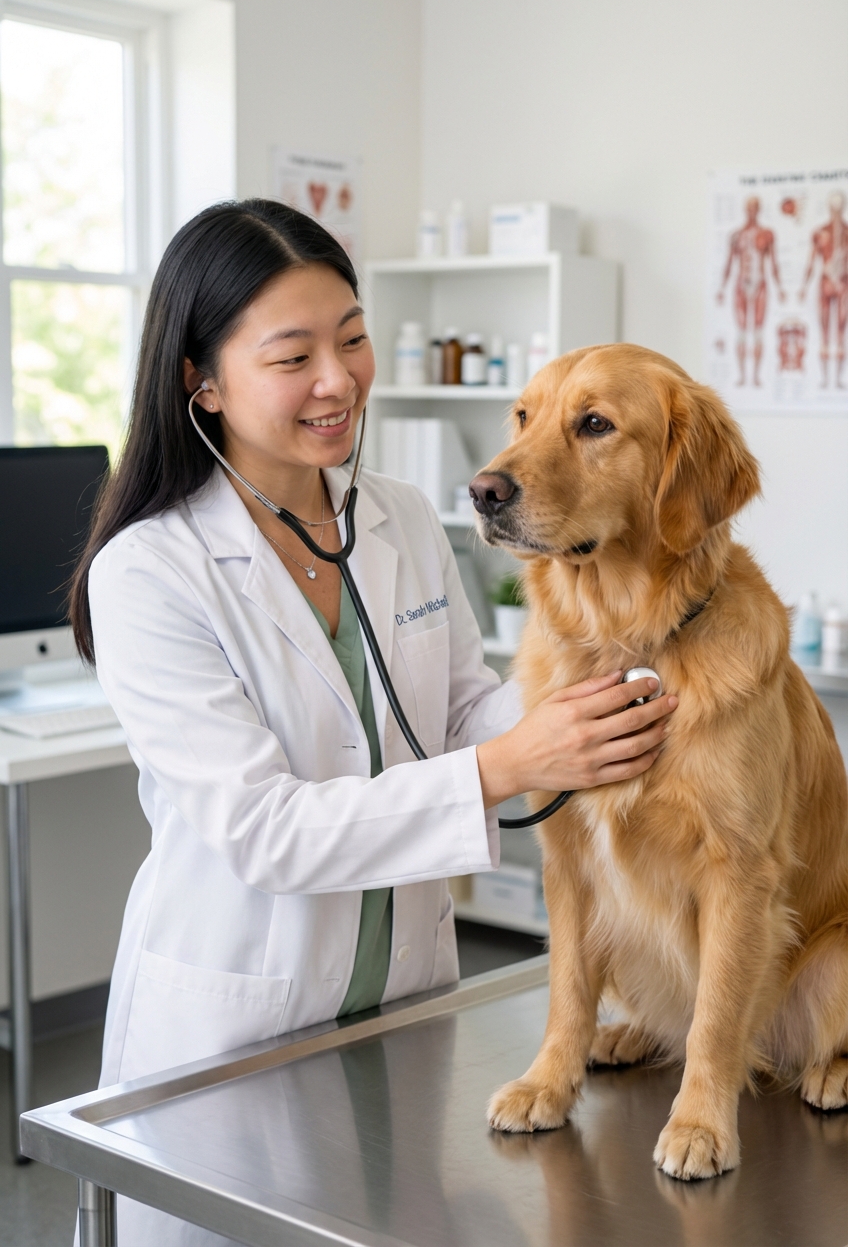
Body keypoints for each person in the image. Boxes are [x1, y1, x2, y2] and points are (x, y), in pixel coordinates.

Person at [69, 200, 676, 1246]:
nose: (338, 378)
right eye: (292, 353)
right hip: (232, 1032)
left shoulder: (390, 515)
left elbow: (454, 706)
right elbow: (263, 830)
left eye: (350, 336)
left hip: (400, 1003)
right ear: (199, 380)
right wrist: (504, 764)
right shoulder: (150, 572)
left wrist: (604, 707)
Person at [716, 195, 785, 386]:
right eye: (749, 207)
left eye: (755, 207)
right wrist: (722, 287)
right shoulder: (736, 236)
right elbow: (729, 262)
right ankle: (741, 376)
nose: (752, 211)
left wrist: (780, 288)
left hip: (760, 283)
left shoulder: (767, 234)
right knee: (741, 331)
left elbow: (773, 262)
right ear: (745, 210)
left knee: (758, 331)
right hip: (741, 284)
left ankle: (755, 376)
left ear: (759, 209)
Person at [798, 190, 848, 389]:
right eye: (833, 207)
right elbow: (812, 261)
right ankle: (826, 380)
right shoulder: (820, 233)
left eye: (839, 207)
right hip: (826, 282)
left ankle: (836, 380)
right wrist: (803, 286)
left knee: (840, 334)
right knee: (825, 333)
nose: (836, 211)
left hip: (843, 283)